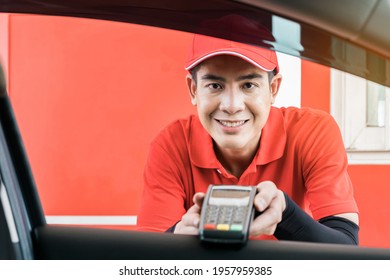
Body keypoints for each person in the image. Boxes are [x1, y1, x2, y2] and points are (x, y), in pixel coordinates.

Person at [137, 16, 359, 244]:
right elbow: (144, 264)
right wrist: (176, 239)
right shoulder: (171, 145)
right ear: (193, 90)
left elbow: (346, 246)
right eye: (215, 86)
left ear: (273, 89)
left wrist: (285, 213)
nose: (232, 106)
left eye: (248, 85)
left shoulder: (313, 132)